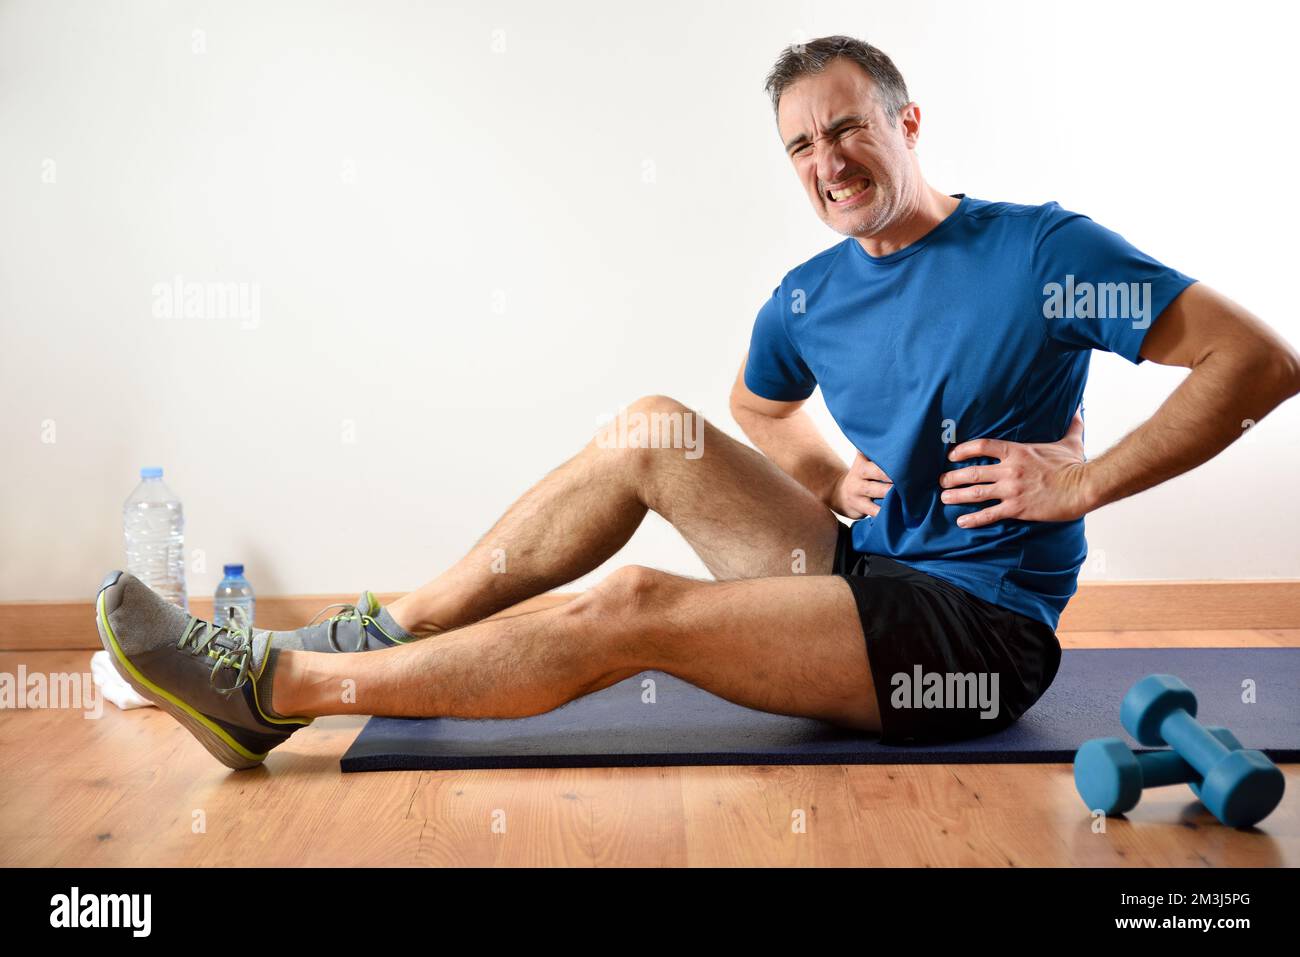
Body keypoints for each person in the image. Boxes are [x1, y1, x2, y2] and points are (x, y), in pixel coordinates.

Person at [95, 35, 1300, 769]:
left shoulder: (1040, 251)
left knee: (629, 601)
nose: (827, 163)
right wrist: (827, 475)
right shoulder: (810, 294)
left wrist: (1082, 480)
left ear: (906, 121)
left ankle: (275, 693)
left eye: (848, 128)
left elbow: (1254, 361)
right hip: (860, 578)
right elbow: (756, 406)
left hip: (972, 641)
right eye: (799, 146)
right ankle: (382, 630)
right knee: (652, 426)